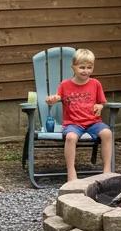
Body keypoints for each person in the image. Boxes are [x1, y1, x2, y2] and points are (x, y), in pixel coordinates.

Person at [46, 48, 113, 182]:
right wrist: (52, 99)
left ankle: (107, 171)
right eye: (82, 67)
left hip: (93, 122)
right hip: (73, 123)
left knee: (107, 133)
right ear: (73, 67)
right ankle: (71, 172)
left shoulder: (95, 84)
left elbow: (101, 102)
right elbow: (57, 97)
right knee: (70, 137)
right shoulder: (65, 85)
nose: (86, 71)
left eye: (89, 67)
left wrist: (99, 106)